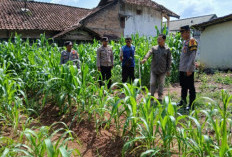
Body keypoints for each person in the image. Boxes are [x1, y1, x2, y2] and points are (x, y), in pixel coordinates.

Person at [141, 34, 171, 102]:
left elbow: (169, 60)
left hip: (162, 70)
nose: (158, 41)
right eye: (157, 39)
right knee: (152, 83)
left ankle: (160, 96)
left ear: (164, 40)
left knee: (161, 84)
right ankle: (151, 96)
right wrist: (145, 59)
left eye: (160, 39)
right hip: (154, 70)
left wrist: (168, 70)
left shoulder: (167, 49)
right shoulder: (154, 48)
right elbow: (149, 52)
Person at [177, 25, 198, 110]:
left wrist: (189, 69)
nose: (181, 34)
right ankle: (183, 101)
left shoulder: (192, 41)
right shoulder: (185, 42)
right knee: (183, 86)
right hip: (183, 68)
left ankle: (191, 105)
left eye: (182, 32)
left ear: (187, 32)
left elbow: (192, 56)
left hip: (188, 69)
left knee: (190, 87)